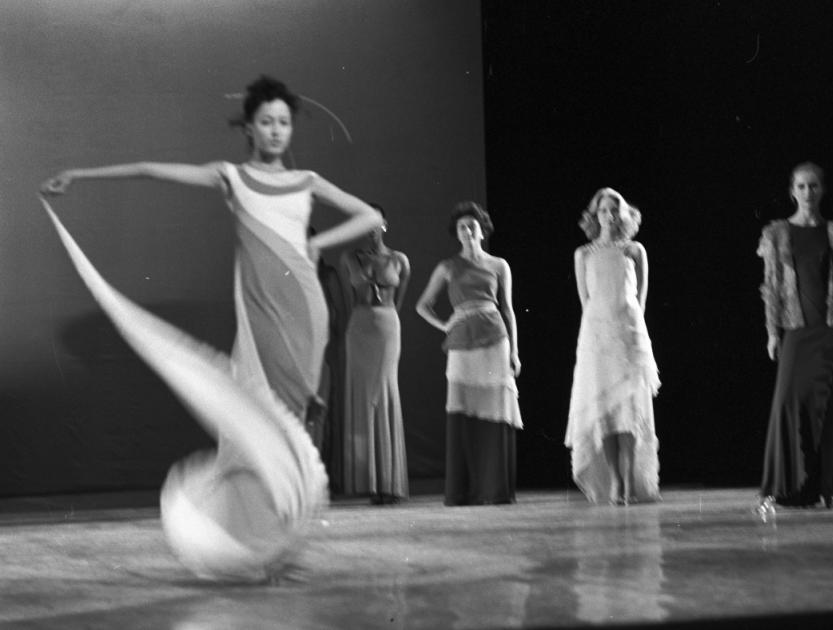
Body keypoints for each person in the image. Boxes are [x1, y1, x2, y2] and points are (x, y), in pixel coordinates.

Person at [39, 76, 382, 580]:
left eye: (283, 122)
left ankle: (280, 538)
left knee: (293, 422)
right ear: (249, 128)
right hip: (260, 314)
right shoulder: (231, 177)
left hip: (306, 310)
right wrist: (82, 174)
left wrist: (314, 244)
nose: (275, 130)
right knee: (260, 420)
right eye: (266, 122)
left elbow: (370, 216)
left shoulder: (306, 181)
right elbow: (152, 171)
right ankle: (263, 539)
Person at [756, 162, 833, 516]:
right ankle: (782, 487)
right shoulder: (776, 233)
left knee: (831, 410)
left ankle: (825, 489)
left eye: (814, 186)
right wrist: (773, 333)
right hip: (797, 327)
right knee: (790, 405)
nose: (808, 193)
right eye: (802, 187)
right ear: (792, 190)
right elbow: (771, 287)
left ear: (823, 190)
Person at [416, 202, 522, 505]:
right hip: (462, 341)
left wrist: (515, 351)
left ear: (482, 229)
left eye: (472, 225)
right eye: (462, 226)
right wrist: (445, 323)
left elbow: (509, 310)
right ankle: (465, 489)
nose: (467, 230)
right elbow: (422, 305)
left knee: (494, 410)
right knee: (463, 411)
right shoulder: (447, 266)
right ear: (457, 233)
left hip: (495, 337)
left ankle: (493, 488)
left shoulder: (499, 264)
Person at [564, 188, 661, 506]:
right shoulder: (584, 254)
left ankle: (631, 481)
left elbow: (642, 298)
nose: (609, 215)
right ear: (596, 215)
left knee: (629, 410)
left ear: (623, 214)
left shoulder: (634, 250)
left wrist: (633, 335)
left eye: (614, 210)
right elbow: (584, 301)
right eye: (603, 210)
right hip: (596, 336)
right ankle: (617, 484)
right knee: (603, 411)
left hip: (629, 333)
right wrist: (597, 333)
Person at [340, 204, 411, 504]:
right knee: (362, 396)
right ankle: (367, 481)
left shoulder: (400, 260)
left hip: (386, 326)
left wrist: (387, 320)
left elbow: (401, 300)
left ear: (384, 224)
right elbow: (347, 299)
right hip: (359, 326)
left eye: (374, 221)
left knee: (384, 393)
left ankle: (390, 482)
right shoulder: (348, 257)